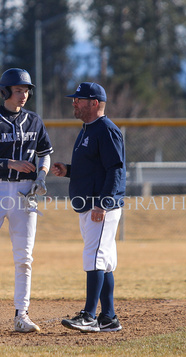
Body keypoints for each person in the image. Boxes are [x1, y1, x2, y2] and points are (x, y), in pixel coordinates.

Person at [0, 68, 53, 333]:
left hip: (25, 193)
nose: (24, 95)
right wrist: (9, 163)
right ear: (6, 91)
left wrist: (41, 176)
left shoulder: (34, 121)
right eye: (18, 90)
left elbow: (44, 154)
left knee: (25, 257)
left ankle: (22, 315)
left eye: (27, 90)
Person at [51, 82, 126, 333]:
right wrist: (68, 171)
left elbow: (115, 170)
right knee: (103, 261)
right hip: (89, 203)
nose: (74, 102)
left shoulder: (106, 130)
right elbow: (94, 168)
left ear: (94, 103)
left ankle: (89, 316)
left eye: (79, 99)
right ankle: (108, 317)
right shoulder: (88, 129)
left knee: (94, 257)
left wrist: (103, 203)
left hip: (99, 205)